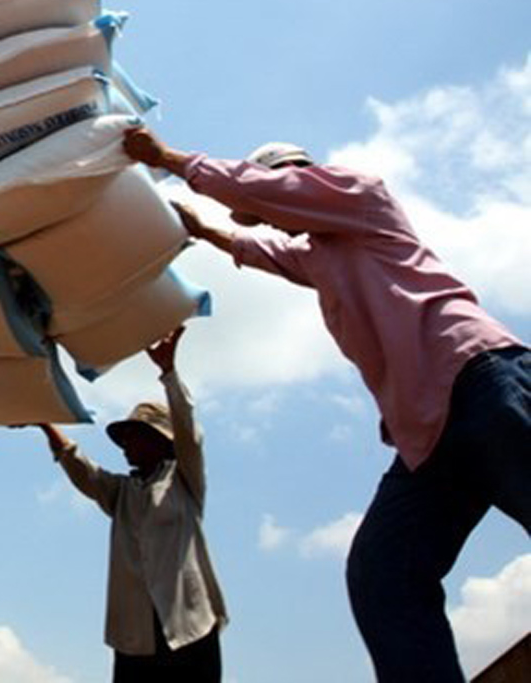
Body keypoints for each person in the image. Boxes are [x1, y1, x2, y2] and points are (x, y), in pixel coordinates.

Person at [122, 126, 529, 682]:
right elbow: (261, 249)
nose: (275, 212)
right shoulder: (320, 257)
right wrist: (209, 231)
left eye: (280, 193)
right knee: (382, 573)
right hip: (424, 439)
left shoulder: (362, 196)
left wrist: (168, 159)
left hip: (478, 380)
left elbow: (271, 197)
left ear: (298, 175)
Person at [34, 326, 227, 682]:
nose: (125, 446)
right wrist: (44, 424)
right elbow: (82, 470)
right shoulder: (122, 492)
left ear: (159, 441)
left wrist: (168, 373)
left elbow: (189, 433)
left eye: (133, 437)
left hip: (187, 625)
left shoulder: (184, 481)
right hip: (136, 634)